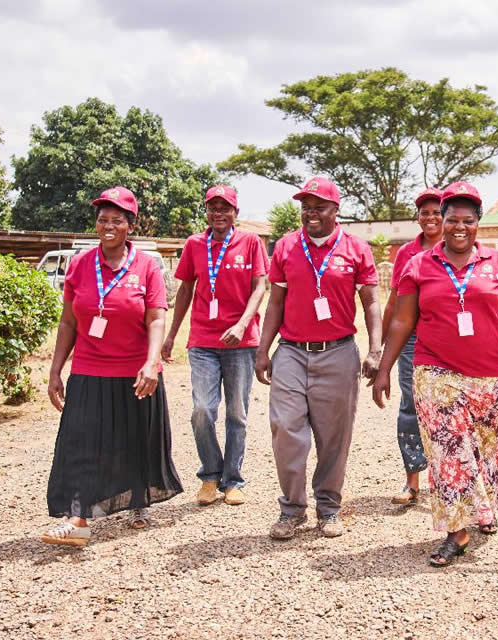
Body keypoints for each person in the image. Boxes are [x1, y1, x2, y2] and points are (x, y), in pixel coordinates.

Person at [372, 181, 498, 567]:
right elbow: (402, 321)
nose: (458, 227)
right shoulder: (418, 265)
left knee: (486, 451)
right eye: (451, 220)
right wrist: (384, 367)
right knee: (449, 451)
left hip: (492, 376)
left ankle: (483, 509)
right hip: (436, 373)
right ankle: (455, 531)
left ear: (479, 224)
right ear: (441, 223)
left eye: (467, 220)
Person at [43, 186, 183, 546]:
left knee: (135, 440)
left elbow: (155, 319)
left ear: (129, 226)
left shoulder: (147, 266)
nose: (108, 225)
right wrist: (56, 370)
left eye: (116, 220)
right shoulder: (80, 265)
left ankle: (139, 500)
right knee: (81, 444)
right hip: (89, 370)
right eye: (102, 219)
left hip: (136, 371)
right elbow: (68, 323)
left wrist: (152, 363)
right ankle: (79, 520)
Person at [255, 177, 382, 540]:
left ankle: (328, 507)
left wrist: (375, 350)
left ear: (335, 209)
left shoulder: (356, 249)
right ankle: (292, 509)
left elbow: (371, 302)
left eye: (318, 206)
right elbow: (275, 302)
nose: (310, 213)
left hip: (339, 352)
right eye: (305, 206)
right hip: (292, 352)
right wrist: (263, 350)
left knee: (334, 436)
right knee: (286, 429)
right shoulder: (285, 247)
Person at [164, 185, 268, 507]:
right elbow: (184, 291)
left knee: (237, 413)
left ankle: (233, 480)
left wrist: (241, 325)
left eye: (225, 208)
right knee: (202, 410)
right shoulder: (195, 244)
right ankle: (210, 474)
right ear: (206, 211)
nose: (218, 214)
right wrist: (172, 335)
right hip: (203, 342)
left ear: (235, 212)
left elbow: (260, 286)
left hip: (241, 342)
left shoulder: (250, 242)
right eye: (213, 208)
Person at [381, 187, 443, 505]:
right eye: (425, 212)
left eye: (436, 212)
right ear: (417, 217)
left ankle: (449, 481)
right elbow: (394, 301)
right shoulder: (406, 253)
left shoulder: (458, 247)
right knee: (411, 407)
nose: (430, 217)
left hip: (448, 339)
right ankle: (412, 482)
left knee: (448, 409)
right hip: (412, 341)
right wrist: (380, 348)